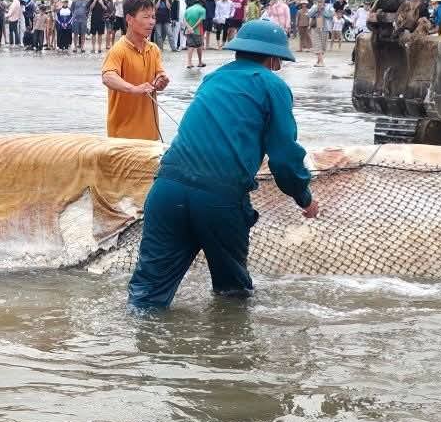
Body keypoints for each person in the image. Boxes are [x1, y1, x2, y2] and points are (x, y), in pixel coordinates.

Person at [127, 19, 320, 309]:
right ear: (273, 58)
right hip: (219, 201)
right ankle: (226, 349)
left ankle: (132, 350)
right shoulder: (273, 86)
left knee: (146, 295)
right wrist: (304, 197)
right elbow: (284, 156)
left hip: (166, 190)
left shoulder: (213, 78)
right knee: (233, 296)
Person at [102, 0, 171, 140]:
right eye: (146, 17)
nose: (151, 21)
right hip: (123, 136)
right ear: (129, 19)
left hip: (151, 134)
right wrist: (133, 89)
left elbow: (159, 74)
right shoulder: (118, 50)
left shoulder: (153, 49)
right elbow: (108, 77)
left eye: (153, 16)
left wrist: (161, 80)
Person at [183, 0, 208, 70]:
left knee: (190, 46)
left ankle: (189, 63)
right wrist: (193, 28)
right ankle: (200, 62)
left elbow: (184, 20)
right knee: (199, 46)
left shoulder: (188, 9)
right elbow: (200, 20)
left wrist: (189, 28)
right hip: (197, 31)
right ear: (202, 4)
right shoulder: (202, 10)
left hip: (188, 31)